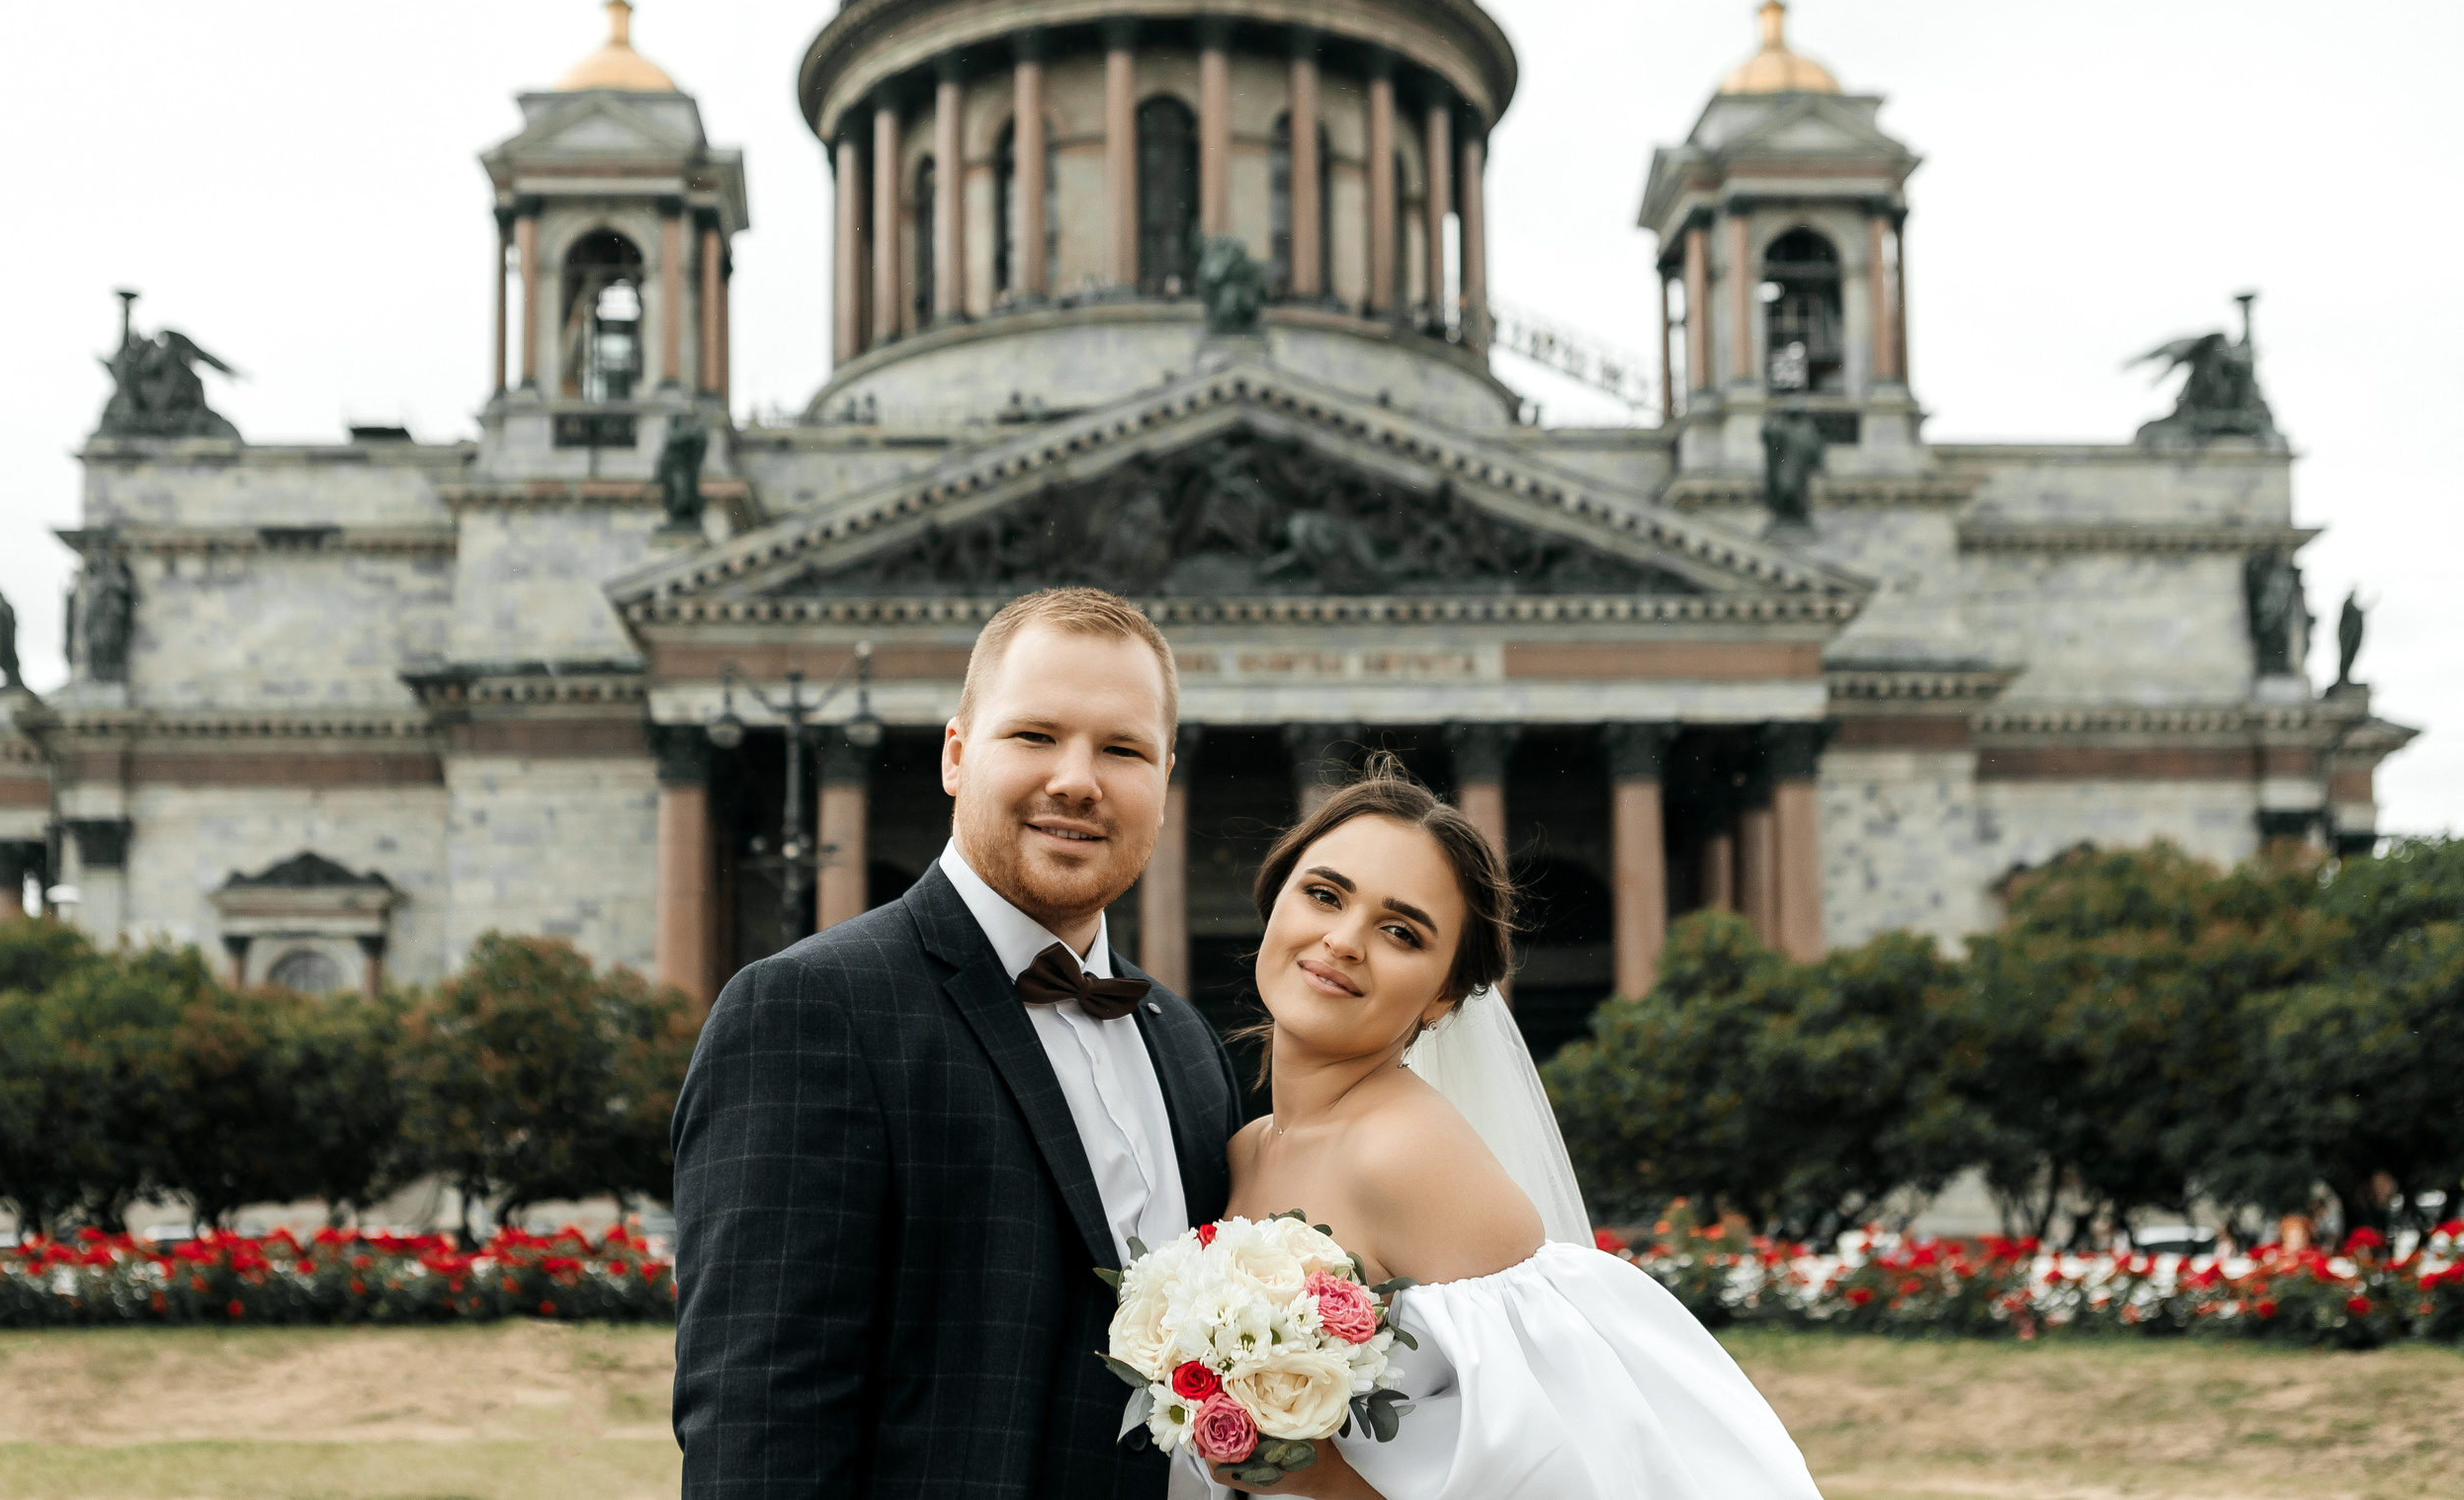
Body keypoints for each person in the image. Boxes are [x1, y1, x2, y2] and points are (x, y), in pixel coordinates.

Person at [673, 587, 1246, 1498]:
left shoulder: (1186, 1046)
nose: (1077, 779)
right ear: (955, 753)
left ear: (1166, 783)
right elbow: (761, 1423)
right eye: (1035, 735)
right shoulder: (811, 1010)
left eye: (1123, 749)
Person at [1185, 760, 1823, 1500]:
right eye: (1324, 894)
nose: (1344, 939)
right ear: (1275, 903)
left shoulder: (1407, 1153)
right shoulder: (1246, 1145)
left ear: (1443, 996)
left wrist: (1322, 1481)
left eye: (1401, 931)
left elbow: (1572, 1469)